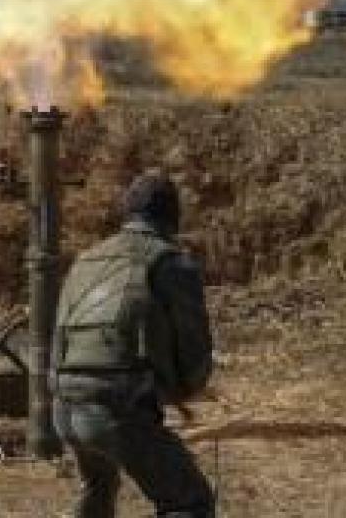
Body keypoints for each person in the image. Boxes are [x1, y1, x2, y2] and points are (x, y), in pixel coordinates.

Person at [51, 171, 215, 518]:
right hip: (116, 404)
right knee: (188, 501)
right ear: (173, 216)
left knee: (98, 487)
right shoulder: (170, 262)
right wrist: (186, 389)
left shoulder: (86, 260)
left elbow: (59, 337)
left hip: (65, 404)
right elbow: (193, 347)